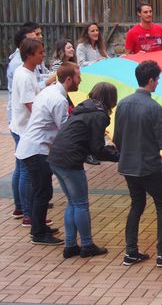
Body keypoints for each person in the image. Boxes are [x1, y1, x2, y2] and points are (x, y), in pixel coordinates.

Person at [113, 60, 162, 267]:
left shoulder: (122, 104)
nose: (158, 83)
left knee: (136, 205)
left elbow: (117, 138)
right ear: (151, 80)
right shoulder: (154, 107)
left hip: (128, 165)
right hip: (150, 165)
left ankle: (131, 251)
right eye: (157, 80)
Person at [48, 82, 120, 258]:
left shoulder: (84, 108)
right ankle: (87, 245)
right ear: (111, 98)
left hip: (56, 156)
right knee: (80, 203)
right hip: (70, 160)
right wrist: (118, 155)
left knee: (73, 202)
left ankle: (70, 245)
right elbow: (97, 148)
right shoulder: (99, 115)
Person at [15, 62, 81, 245]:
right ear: (69, 79)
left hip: (33, 147)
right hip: (37, 149)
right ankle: (38, 233)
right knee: (43, 191)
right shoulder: (58, 100)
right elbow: (64, 131)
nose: (80, 80)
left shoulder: (50, 91)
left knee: (41, 190)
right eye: (78, 77)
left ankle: (39, 227)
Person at [9, 38, 45, 224]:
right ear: (30, 55)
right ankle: (28, 213)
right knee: (26, 172)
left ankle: (22, 208)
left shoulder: (29, 72)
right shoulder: (23, 75)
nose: (43, 55)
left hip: (23, 127)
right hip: (24, 129)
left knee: (22, 169)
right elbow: (31, 105)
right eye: (40, 53)